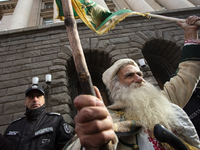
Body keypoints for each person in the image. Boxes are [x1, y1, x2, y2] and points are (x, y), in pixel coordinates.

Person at [72, 15, 200, 150]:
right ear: (116, 86)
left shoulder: (164, 100)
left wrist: (190, 32)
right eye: (130, 76)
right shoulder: (108, 117)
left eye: (139, 74)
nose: (139, 79)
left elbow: (188, 73)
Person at [1, 85, 73, 150]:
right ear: (25, 102)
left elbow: (68, 146)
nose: (35, 99)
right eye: (31, 97)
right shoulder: (13, 126)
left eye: (38, 96)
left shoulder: (55, 121)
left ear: (44, 101)